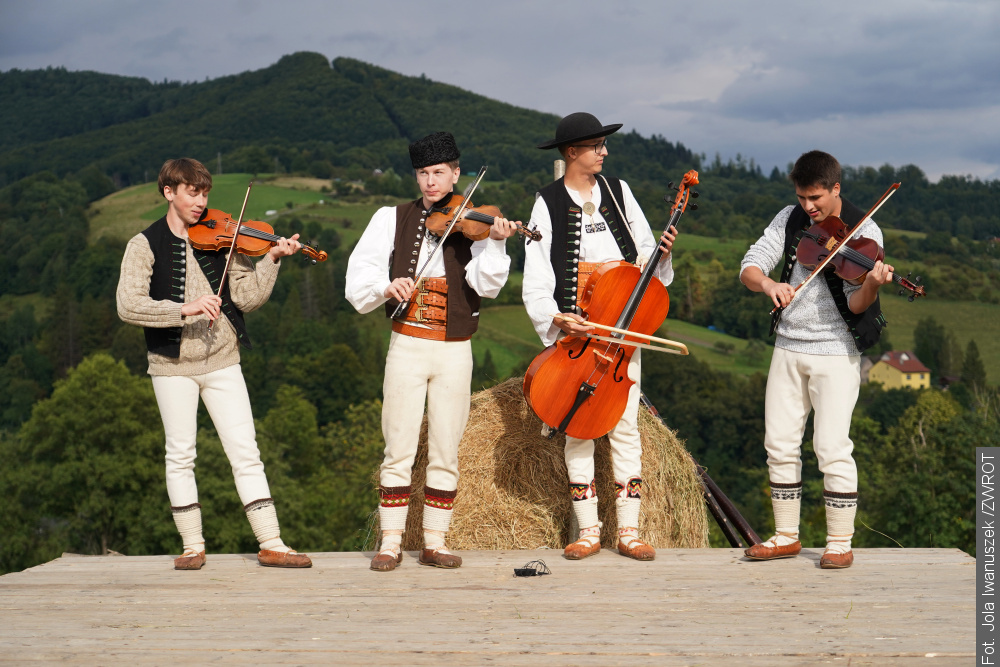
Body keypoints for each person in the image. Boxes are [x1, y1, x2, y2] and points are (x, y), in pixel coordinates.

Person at [117, 158, 312, 570]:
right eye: (192, 192)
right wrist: (184, 309)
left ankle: (272, 542)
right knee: (180, 454)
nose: (201, 201)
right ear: (169, 192)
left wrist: (272, 259)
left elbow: (245, 299)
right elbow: (128, 305)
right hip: (172, 363)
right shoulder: (144, 244)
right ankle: (193, 547)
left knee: (245, 451)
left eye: (204, 192)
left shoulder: (223, 237)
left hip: (223, 359)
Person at [345, 132, 517, 572]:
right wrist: (386, 286)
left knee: (446, 444)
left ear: (456, 174)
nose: (430, 182)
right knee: (398, 442)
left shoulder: (475, 220)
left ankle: (436, 541)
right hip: (407, 343)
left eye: (438, 173)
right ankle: (390, 541)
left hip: (455, 347)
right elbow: (359, 273)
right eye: (423, 173)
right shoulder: (391, 217)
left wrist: (496, 242)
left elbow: (488, 286)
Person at [522, 112, 678, 562]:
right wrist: (557, 318)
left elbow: (646, 254)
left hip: (622, 328)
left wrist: (660, 256)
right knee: (577, 430)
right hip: (578, 335)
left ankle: (628, 530)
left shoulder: (620, 192)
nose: (604, 152)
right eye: (596, 146)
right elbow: (536, 276)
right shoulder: (546, 203)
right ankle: (588, 529)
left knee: (626, 427)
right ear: (572, 153)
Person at [739, 150, 894, 569]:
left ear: (835, 188)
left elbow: (859, 305)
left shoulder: (866, 231)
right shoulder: (790, 218)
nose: (809, 207)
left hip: (835, 351)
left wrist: (874, 286)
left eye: (816, 199)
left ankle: (840, 543)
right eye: (803, 197)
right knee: (779, 444)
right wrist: (768, 283)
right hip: (788, 344)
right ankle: (786, 535)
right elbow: (750, 264)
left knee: (831, 447)